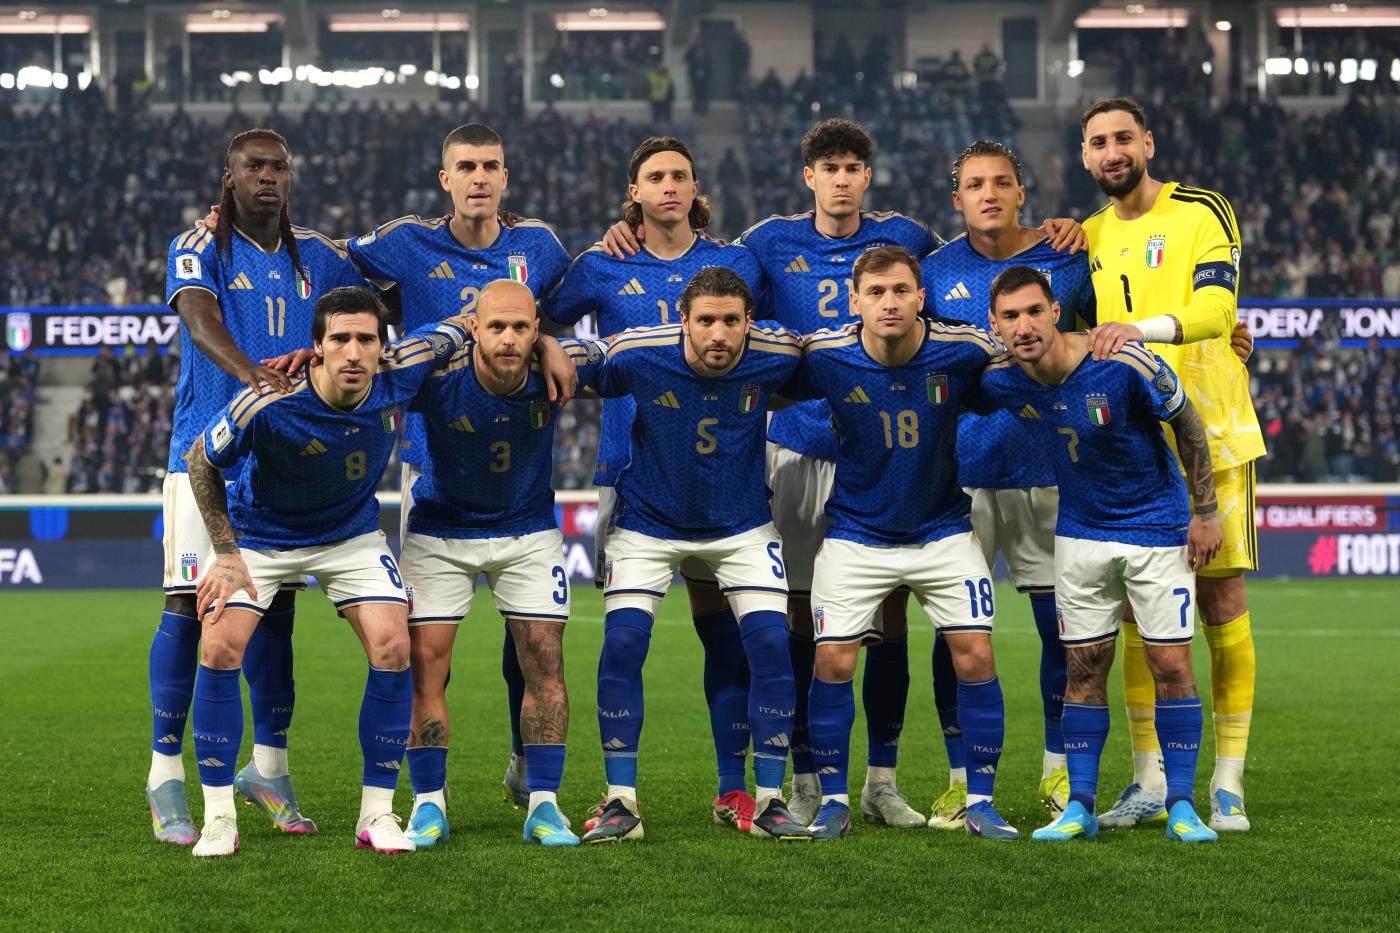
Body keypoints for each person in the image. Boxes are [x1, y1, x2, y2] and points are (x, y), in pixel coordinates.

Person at [184, 287, 471, 857]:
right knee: (218, 647)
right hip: (262, 538)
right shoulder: (267, 401)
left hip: (350, 537)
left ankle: (377, 814)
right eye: (340, 339)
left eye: (366, 339)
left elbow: (464, 323)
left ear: (383, 347)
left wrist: (511, 328)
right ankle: (218, 818)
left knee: (394, 645)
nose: (354, 352)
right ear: (316, 347)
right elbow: (200, 460)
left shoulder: (401, 370)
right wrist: (227, 553)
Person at [543, 136, 771, 834]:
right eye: (655, 177)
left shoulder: (736, 263)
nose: (668, 186)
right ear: (634, 192)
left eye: (679, 175)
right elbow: (541, 324)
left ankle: (737, 788)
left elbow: (767, 347)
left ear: (696, 186)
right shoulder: (601, 263)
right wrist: (549, 342)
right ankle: (591, 783)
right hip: (628, 470)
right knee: (614, 636)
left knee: (725, 634)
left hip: (723, 471)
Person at [345, 122, 574, 812]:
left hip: (516, 464)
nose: (479, 177)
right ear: (445, 179)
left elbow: (563, 307)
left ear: (506, 177)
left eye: (490, 166)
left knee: (529, 639)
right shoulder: (406, 243)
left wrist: (552, 340)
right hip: (433, 466)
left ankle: (524, 763)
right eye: (466, 166)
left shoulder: (541, 247)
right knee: (429, 653)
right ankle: (432, 793)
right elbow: (331, 267)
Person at [150, 128, 364, 845]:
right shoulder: (199, 244)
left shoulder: (321, 255)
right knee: (190, 605)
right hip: (205, 453)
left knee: (276, 610)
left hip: (280, 460)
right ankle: (165, 775)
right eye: (254, 166)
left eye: (278, 167)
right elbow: (199, 318)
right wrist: (252, 375)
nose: (268, 177)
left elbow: (387, 293)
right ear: (230, 176)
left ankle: (268, 768)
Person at [974, 265, 1221, 843]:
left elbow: (1188, 423)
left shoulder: (1123, 361)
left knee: (1171, 664)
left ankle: (1181, 805)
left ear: (1056, 312)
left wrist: (1205, 513)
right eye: (1010, 316)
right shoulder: (999, 378)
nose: (1024, 326)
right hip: (1080, 533)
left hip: (1156, 527)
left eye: (1034, 311)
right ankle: (1079, 807)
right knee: (1083, 666)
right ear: (994, 324)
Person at [788, 246, 1016, 841]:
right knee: (833, 660)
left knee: (976, 654)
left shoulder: (963, 349)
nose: (889, 302)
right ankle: (834, 801)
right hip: (856, 535)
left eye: (900, 291)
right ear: (854, 300)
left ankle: (980, 802)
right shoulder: (826, 354)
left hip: (942, 531)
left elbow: (1031, 358)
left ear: (921, 297)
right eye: (876, 292)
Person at [1080, 97, 1261, 831]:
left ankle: (1227, 782)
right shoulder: (1087, 235)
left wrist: (1135, 332)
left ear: (1148, 142)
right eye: (1099, 142)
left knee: (1221, 603)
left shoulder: (1201, 211)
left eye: (1124, 137)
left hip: (1212, 432)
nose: (1113, 151)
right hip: (1132, 449)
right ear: (1086, 157)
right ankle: (1149, 779)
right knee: (1135, 612)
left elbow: (1218, 310)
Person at [580, 267, 811, 844]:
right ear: (683, 320)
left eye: (731, 321)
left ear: (750, 322)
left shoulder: (777, 354)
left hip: (742, 526)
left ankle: (768, 800)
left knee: (772, 646)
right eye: (706, 320)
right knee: (623, 644)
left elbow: (833, 359)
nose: (719, 334)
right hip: (648, 525)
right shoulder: (639, 351)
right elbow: (579, 363)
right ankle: (620, 800)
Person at [919, 140, 1094, 828]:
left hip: (1047, 468)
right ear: (956, 199)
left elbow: (1109, 334)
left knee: (1061, 631)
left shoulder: (1068, 257)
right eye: (974, 184)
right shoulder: (934, 270)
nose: (988, 194)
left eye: (1000, 182)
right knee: (955, 636)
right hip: (959, 476)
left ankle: (1057, 771)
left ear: (1023, 192)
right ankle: (960, 780)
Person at [397, 280, 602, 849]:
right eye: (496, 327)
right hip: (440, 530)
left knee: (545, 661)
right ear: (474, 329)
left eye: (520, 328)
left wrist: (555, 347)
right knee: (424, 665)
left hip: (527, 531)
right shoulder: (438, 375)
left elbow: (627, 353)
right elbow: (376, 368)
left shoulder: (555, 366)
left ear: (537, 330)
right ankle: (428, 804)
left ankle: (544, 806)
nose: (508, 339)